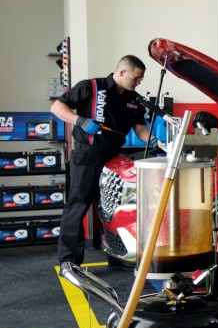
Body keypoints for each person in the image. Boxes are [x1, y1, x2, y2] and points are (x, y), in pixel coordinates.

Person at [51, 56, 152, 270]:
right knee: (77, 206)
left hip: (115, 158)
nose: (139, 82)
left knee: (111, 208)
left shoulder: (134, 100)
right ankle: (69, 261)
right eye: (136, 78)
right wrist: (80, 120)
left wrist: (157, 138)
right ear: (122, 72)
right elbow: (57, 107)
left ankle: (117, 254)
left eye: (141, 79)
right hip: (87, 155)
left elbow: (140, 129)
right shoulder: (91, 87)